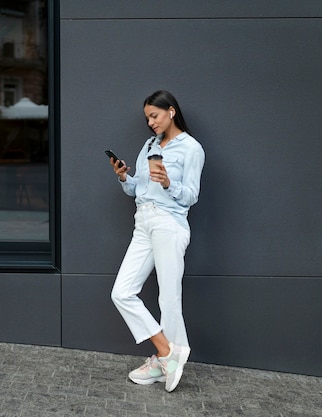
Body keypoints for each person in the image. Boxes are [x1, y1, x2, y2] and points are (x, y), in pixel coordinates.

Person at [109, 90, 205, 392]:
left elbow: (191, 195)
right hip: (144, 222)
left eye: (155, 115)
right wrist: (125, 177)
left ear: (171, 112)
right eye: (148, 118)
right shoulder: (149, 145)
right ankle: (166, 353)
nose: (151, 122)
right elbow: (137, 188)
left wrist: (167, 182)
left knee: (168, 298)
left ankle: (166, 361)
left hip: (169, 222)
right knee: (122, 292)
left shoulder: (191, 148)